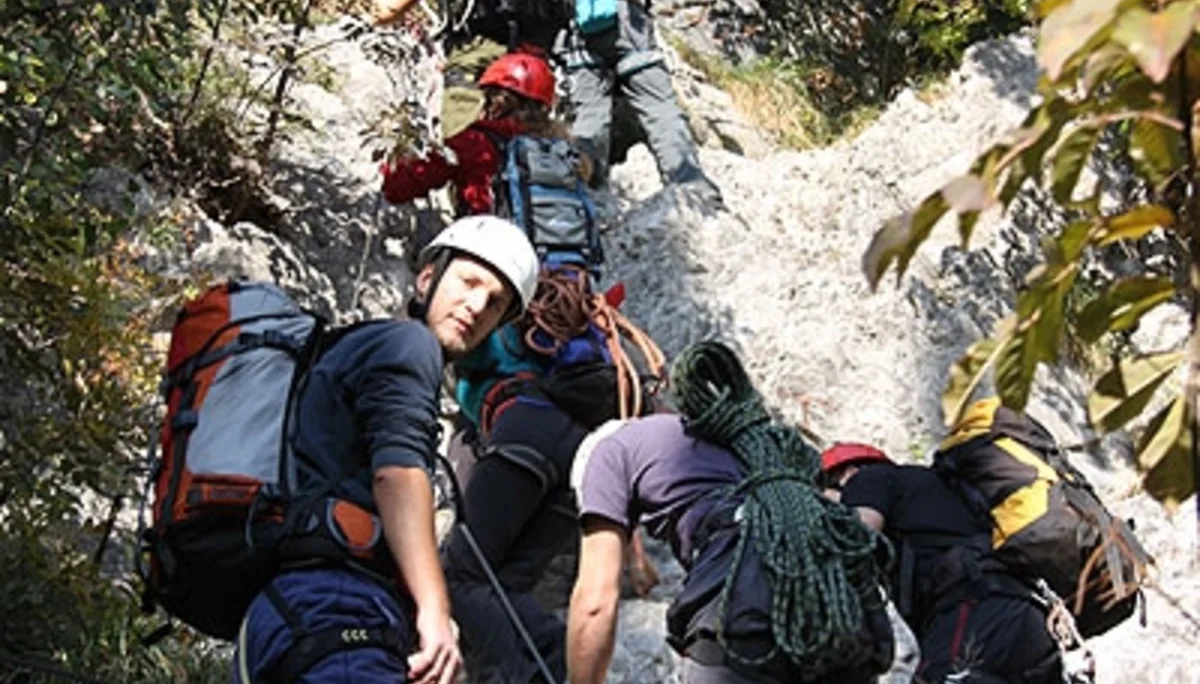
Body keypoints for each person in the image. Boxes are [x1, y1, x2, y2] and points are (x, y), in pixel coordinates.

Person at [232, 215, 540, 684]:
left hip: (278, 612)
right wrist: (435, 614)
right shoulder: (408, 345)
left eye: (496, 303)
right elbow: (396, 473)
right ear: (426, 278)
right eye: (469, 281)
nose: (477, 305)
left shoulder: (352, 348)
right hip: (338, 604)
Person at [567, 341, 894, 684]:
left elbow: (595, 602)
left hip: (743, 615)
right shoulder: (749, 443)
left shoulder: (606, 451)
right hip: (845, 612)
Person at [822, 442, 1064, 684]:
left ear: (844, 473)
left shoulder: (866, 479)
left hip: (973, 610)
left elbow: (856, 542)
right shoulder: (937, 492)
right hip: (1030, 617)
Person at [380, 51, 589, 215]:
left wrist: (396, 154)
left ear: (492, 100)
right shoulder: (567, 151)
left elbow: (396, 189)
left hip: (492, 251)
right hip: (557, 260)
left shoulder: (474, 142)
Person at [562, 0, 722, 203]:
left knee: (589, 118)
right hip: (630, 31)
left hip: (580, 40)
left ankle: (581, 196)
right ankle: (692, 187)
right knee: (660, 110)